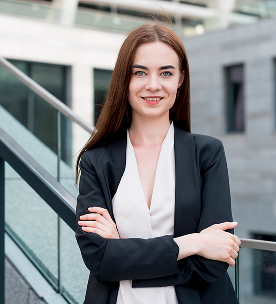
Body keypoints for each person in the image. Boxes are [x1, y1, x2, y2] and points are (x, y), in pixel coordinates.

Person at [75, 23, 241, 304]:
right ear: (124, 80)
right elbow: (99, 260)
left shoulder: (207, 153)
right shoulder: (96, 161)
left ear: (180, 79)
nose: (153, 84)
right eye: (140, 72)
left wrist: (122, 252)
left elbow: (212, 264)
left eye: (166, 72)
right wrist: (194, 243)